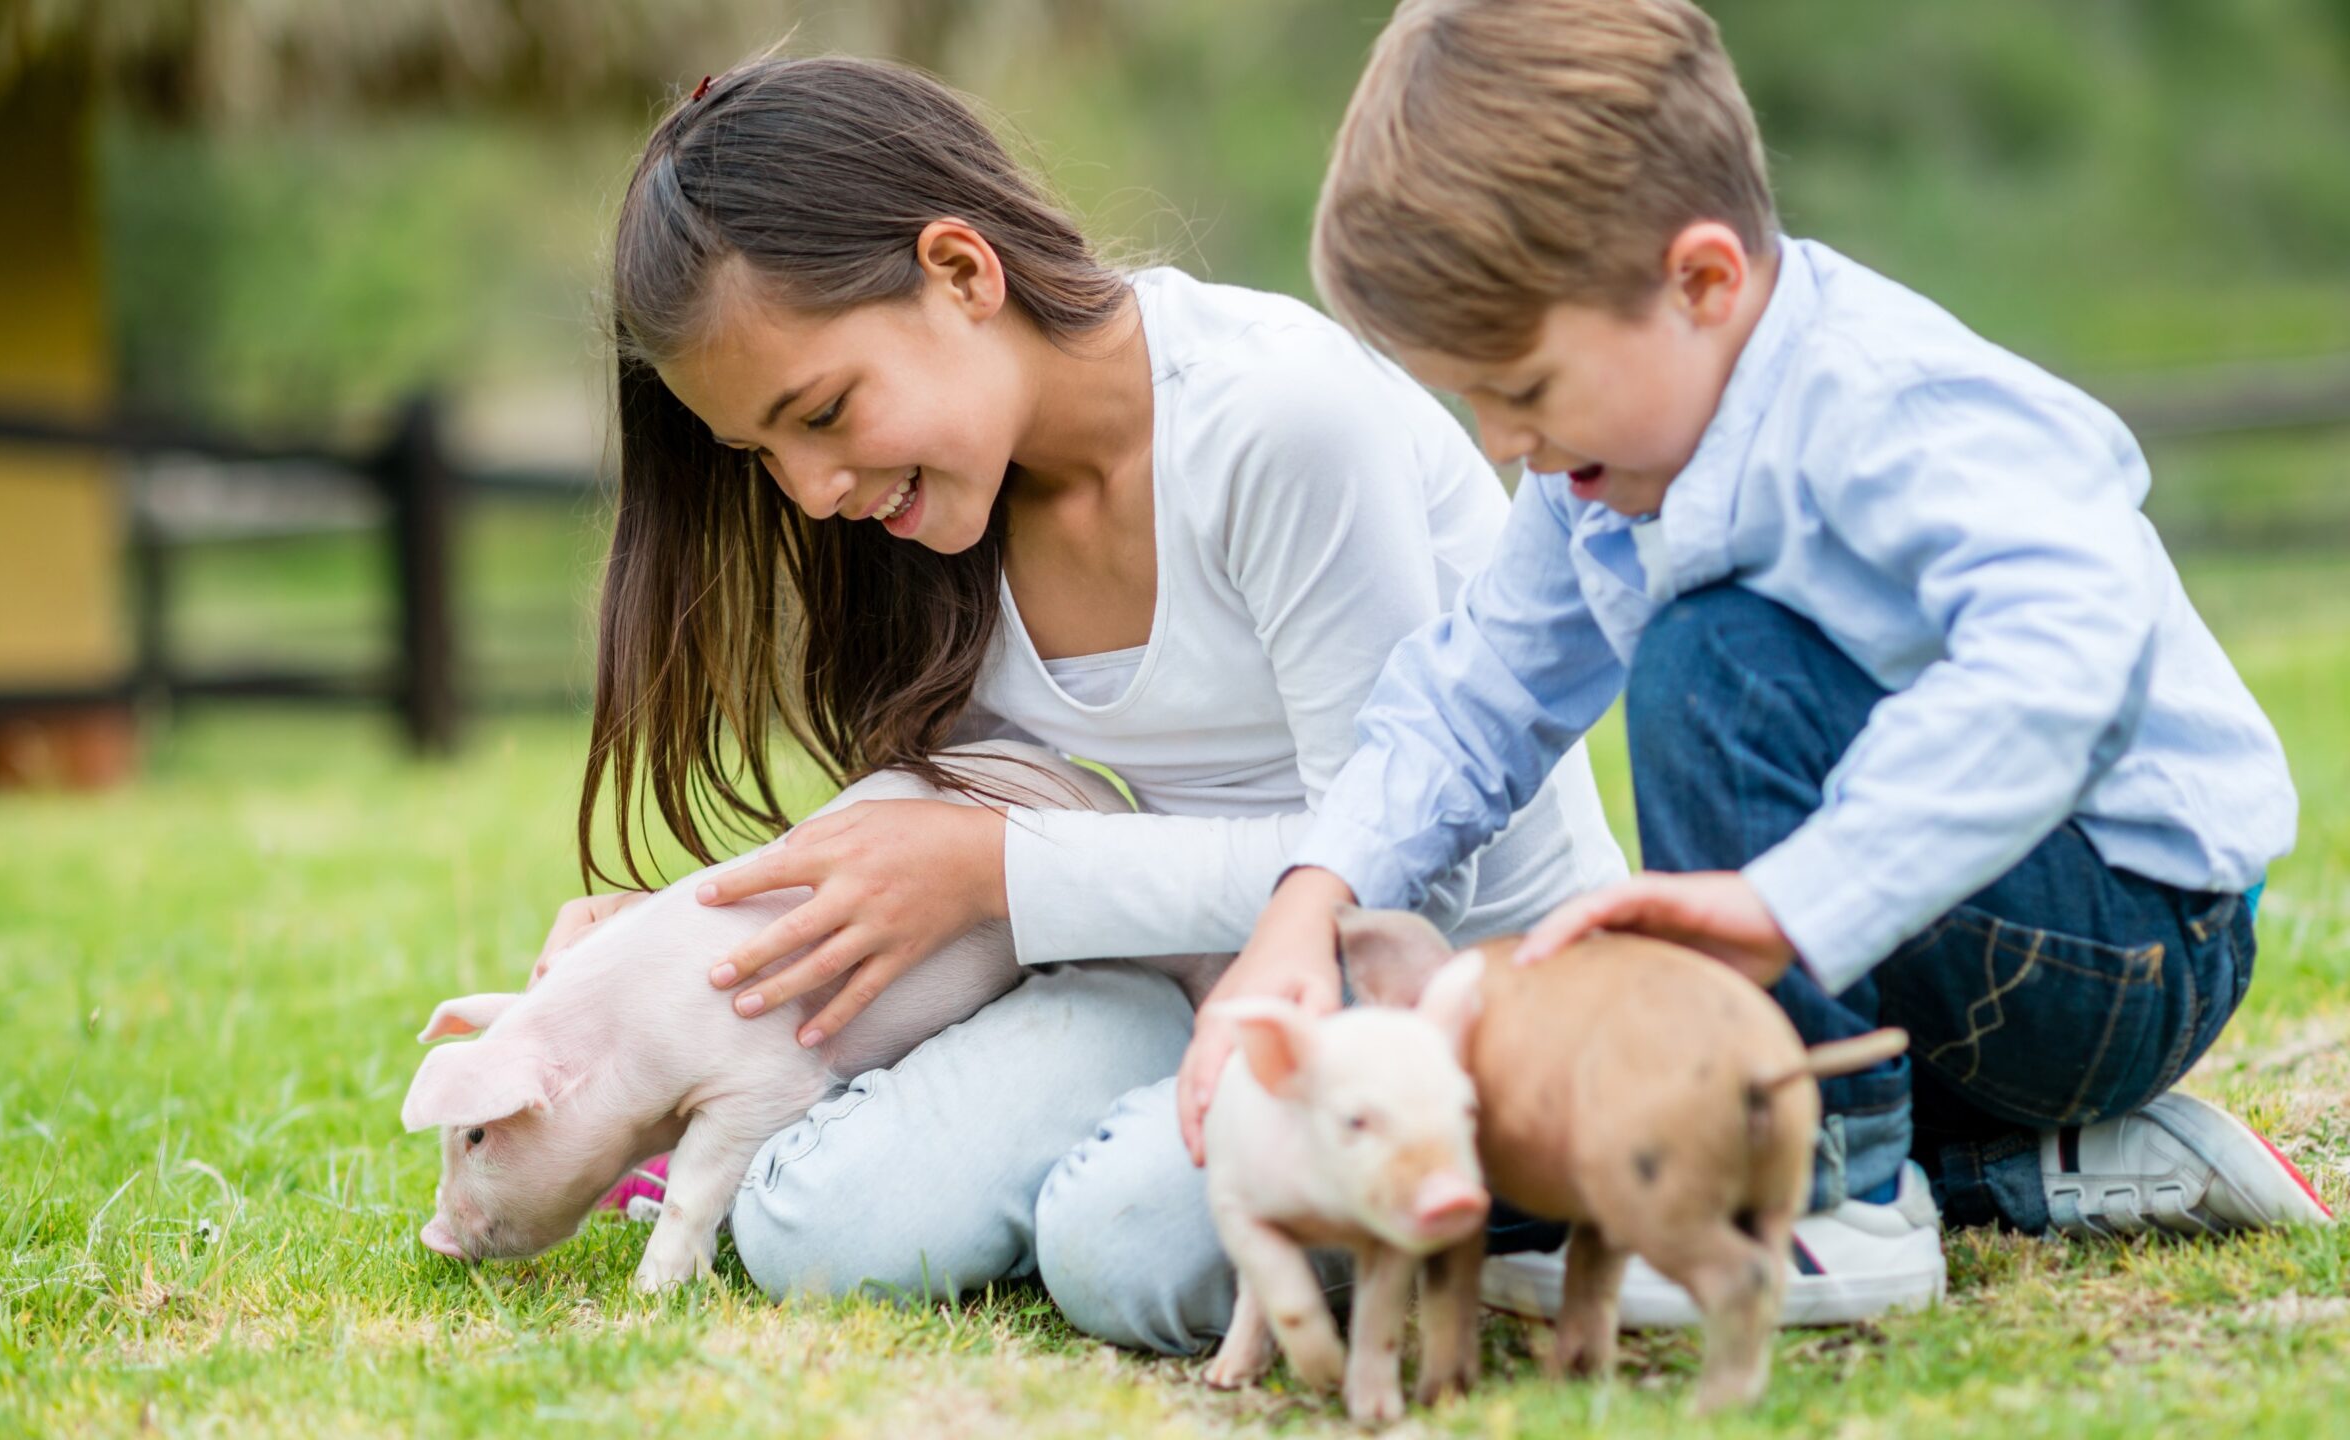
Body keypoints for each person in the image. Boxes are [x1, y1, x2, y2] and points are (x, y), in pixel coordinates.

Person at [1181, 0, 2329, 1329]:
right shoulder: (1606, 469)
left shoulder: (1880, 402)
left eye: (1528, 389)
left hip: (2128, 935)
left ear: (1704, 282)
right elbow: (1474, 695)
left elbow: (2065, 657)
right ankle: (2029, 1167)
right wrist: (1308, 902)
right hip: (1940, 957)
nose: (1504, 444)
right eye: (1473, 403)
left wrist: (1792, 903)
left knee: (1712, 654)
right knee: (1535, 1147)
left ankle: (1831, 1197)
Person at [541, 54, 1629, 1352]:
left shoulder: (1276, 422)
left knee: (1129, 1253)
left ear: (960, 271)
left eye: (824, 412)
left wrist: (1004, 867)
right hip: (1170, 985)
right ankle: (1101, 1149)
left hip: (1433, 1003)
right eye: (763, 456)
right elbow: (969, 851)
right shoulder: (935, 519)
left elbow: (1402, 872)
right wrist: (676, 960)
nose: (811, 490)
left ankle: (1436, 1205)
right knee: (812, 1232)